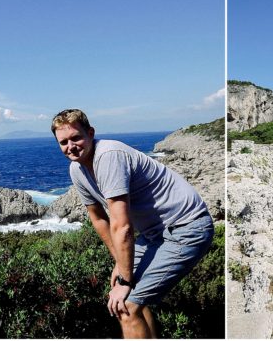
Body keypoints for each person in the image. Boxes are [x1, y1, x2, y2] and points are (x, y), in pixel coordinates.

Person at [51, 109, 215, 338]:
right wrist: (120, 262)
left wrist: (126, 279)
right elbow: (98, 218)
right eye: (64, 142)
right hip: (153, 235)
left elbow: (122, 225)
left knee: (125, 305)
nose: (71, 146)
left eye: (76, 138)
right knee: (126, 300)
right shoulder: (76, 169)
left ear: (90, 133)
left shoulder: (108, 156)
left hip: (187, 227)